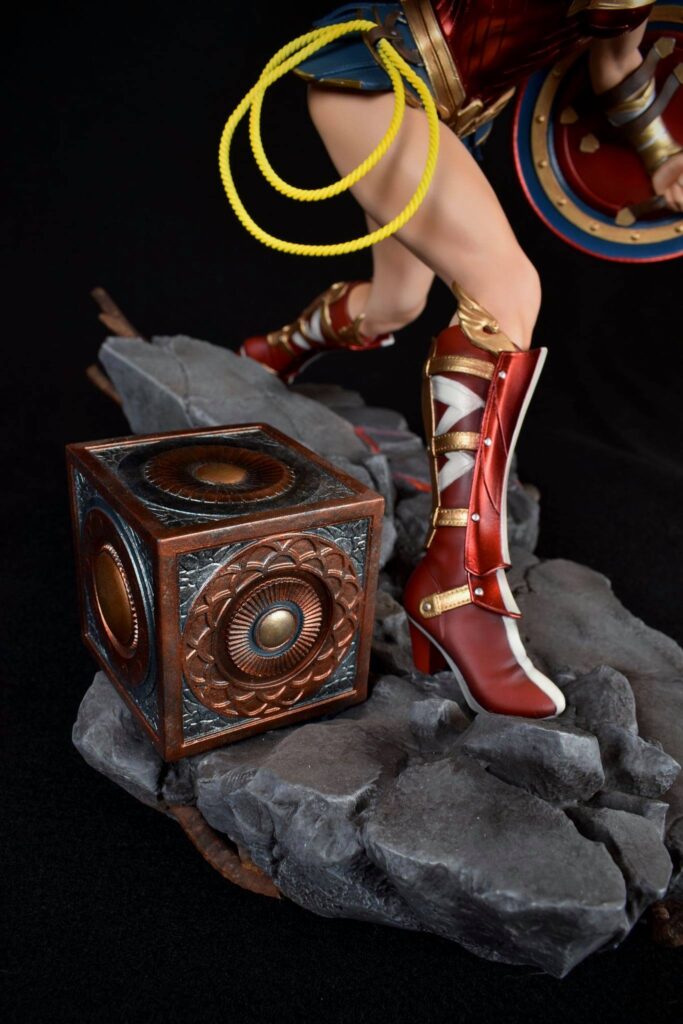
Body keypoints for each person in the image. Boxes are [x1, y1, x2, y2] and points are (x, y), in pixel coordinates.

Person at [237, 1, 682, 719]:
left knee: (396, 303)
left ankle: (271, 352)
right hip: (379, 77)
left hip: (448, 118)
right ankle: (457, 585)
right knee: (504, 291)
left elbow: (616, 62)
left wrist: (661, 156)